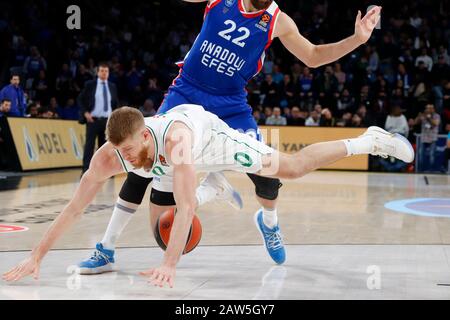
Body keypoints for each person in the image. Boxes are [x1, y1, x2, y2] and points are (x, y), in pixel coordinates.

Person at [78, 0, 383, 273]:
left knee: (268, 179)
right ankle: (106, 248)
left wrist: (357, 39)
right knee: (143, 165)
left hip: (230, 105)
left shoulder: (278, 20)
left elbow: (314, 56)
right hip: (185, 94)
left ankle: (268, 222)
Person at [2, 104, 414, 287]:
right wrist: (36, 255)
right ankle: (214, 185)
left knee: (293, 168)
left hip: (211, 140)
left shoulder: (175, 141)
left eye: (129, 150)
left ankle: (368, 140)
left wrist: (169, 265)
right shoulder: (110, 157)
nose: (124, 158)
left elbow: (184, 209)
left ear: (145, 135)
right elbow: (75, 208)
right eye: (119, 153)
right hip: (180, 157)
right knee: (162, 224)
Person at [77, 63, 119, 173]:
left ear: (108, 73)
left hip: (107, 122)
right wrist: (85, 113)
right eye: (102, 71)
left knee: (106, 148)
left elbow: (114, 104)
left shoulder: (112, 86)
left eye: (106, 71)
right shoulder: (90, 85)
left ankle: (106, 171)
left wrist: (114, 118)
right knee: (89, 147)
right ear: (98, 72)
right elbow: (80, 99)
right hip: (93, 120)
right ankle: (86, 170)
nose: (104, 73)